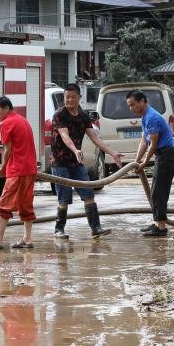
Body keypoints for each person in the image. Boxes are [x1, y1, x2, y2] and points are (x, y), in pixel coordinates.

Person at [50, 83, 123, 239]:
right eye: (66, 97)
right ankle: (59, 229)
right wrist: (75, 150)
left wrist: (112, 153)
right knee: (64, 197)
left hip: (77, 162)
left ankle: (96, 228)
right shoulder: (59, 115)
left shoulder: (83, 116)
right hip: (60, 161)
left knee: (88, 193)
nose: (69, 100)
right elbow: (64, 136)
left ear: (79, 98)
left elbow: (95, 138)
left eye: (72, 97)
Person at [0, 96, 37, 250]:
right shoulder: (22, 120)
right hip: (30, 169)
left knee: (4, 205)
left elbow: (8, 150)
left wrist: (2, 168)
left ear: (6, 108)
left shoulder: (6, 123)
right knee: (26, 205)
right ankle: (27, 239)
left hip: (17, 170)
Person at [127, 89, 174, 237]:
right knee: (156, 190)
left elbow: (153, 145)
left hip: (167, 155)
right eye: (129, 106)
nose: (131, 109)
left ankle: (161, 227)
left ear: (142, 101)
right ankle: (157, 222)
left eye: (132, 104)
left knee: (159, 191)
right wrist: (136, 161)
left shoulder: (151, 117)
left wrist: (144, 163)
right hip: (162, 155)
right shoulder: (145, 117)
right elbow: (144, 142)